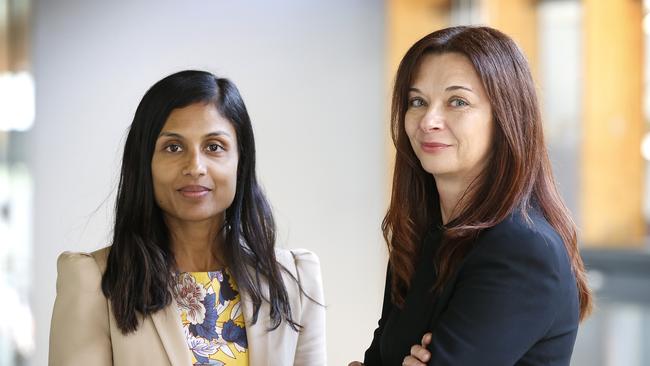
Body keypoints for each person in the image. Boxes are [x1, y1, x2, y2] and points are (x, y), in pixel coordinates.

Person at [349, 26, 592, 366]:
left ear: (505, 118)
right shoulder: (422, 238)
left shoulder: (522, 250)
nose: (429, 120)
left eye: (457, 102)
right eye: (417, 101)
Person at [49, 70, 326, 366]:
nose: (195, 166)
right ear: (145, 163)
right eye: (173, 147)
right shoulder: (94, 281)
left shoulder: (293, 280)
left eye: (214, 147)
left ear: (240, 162)